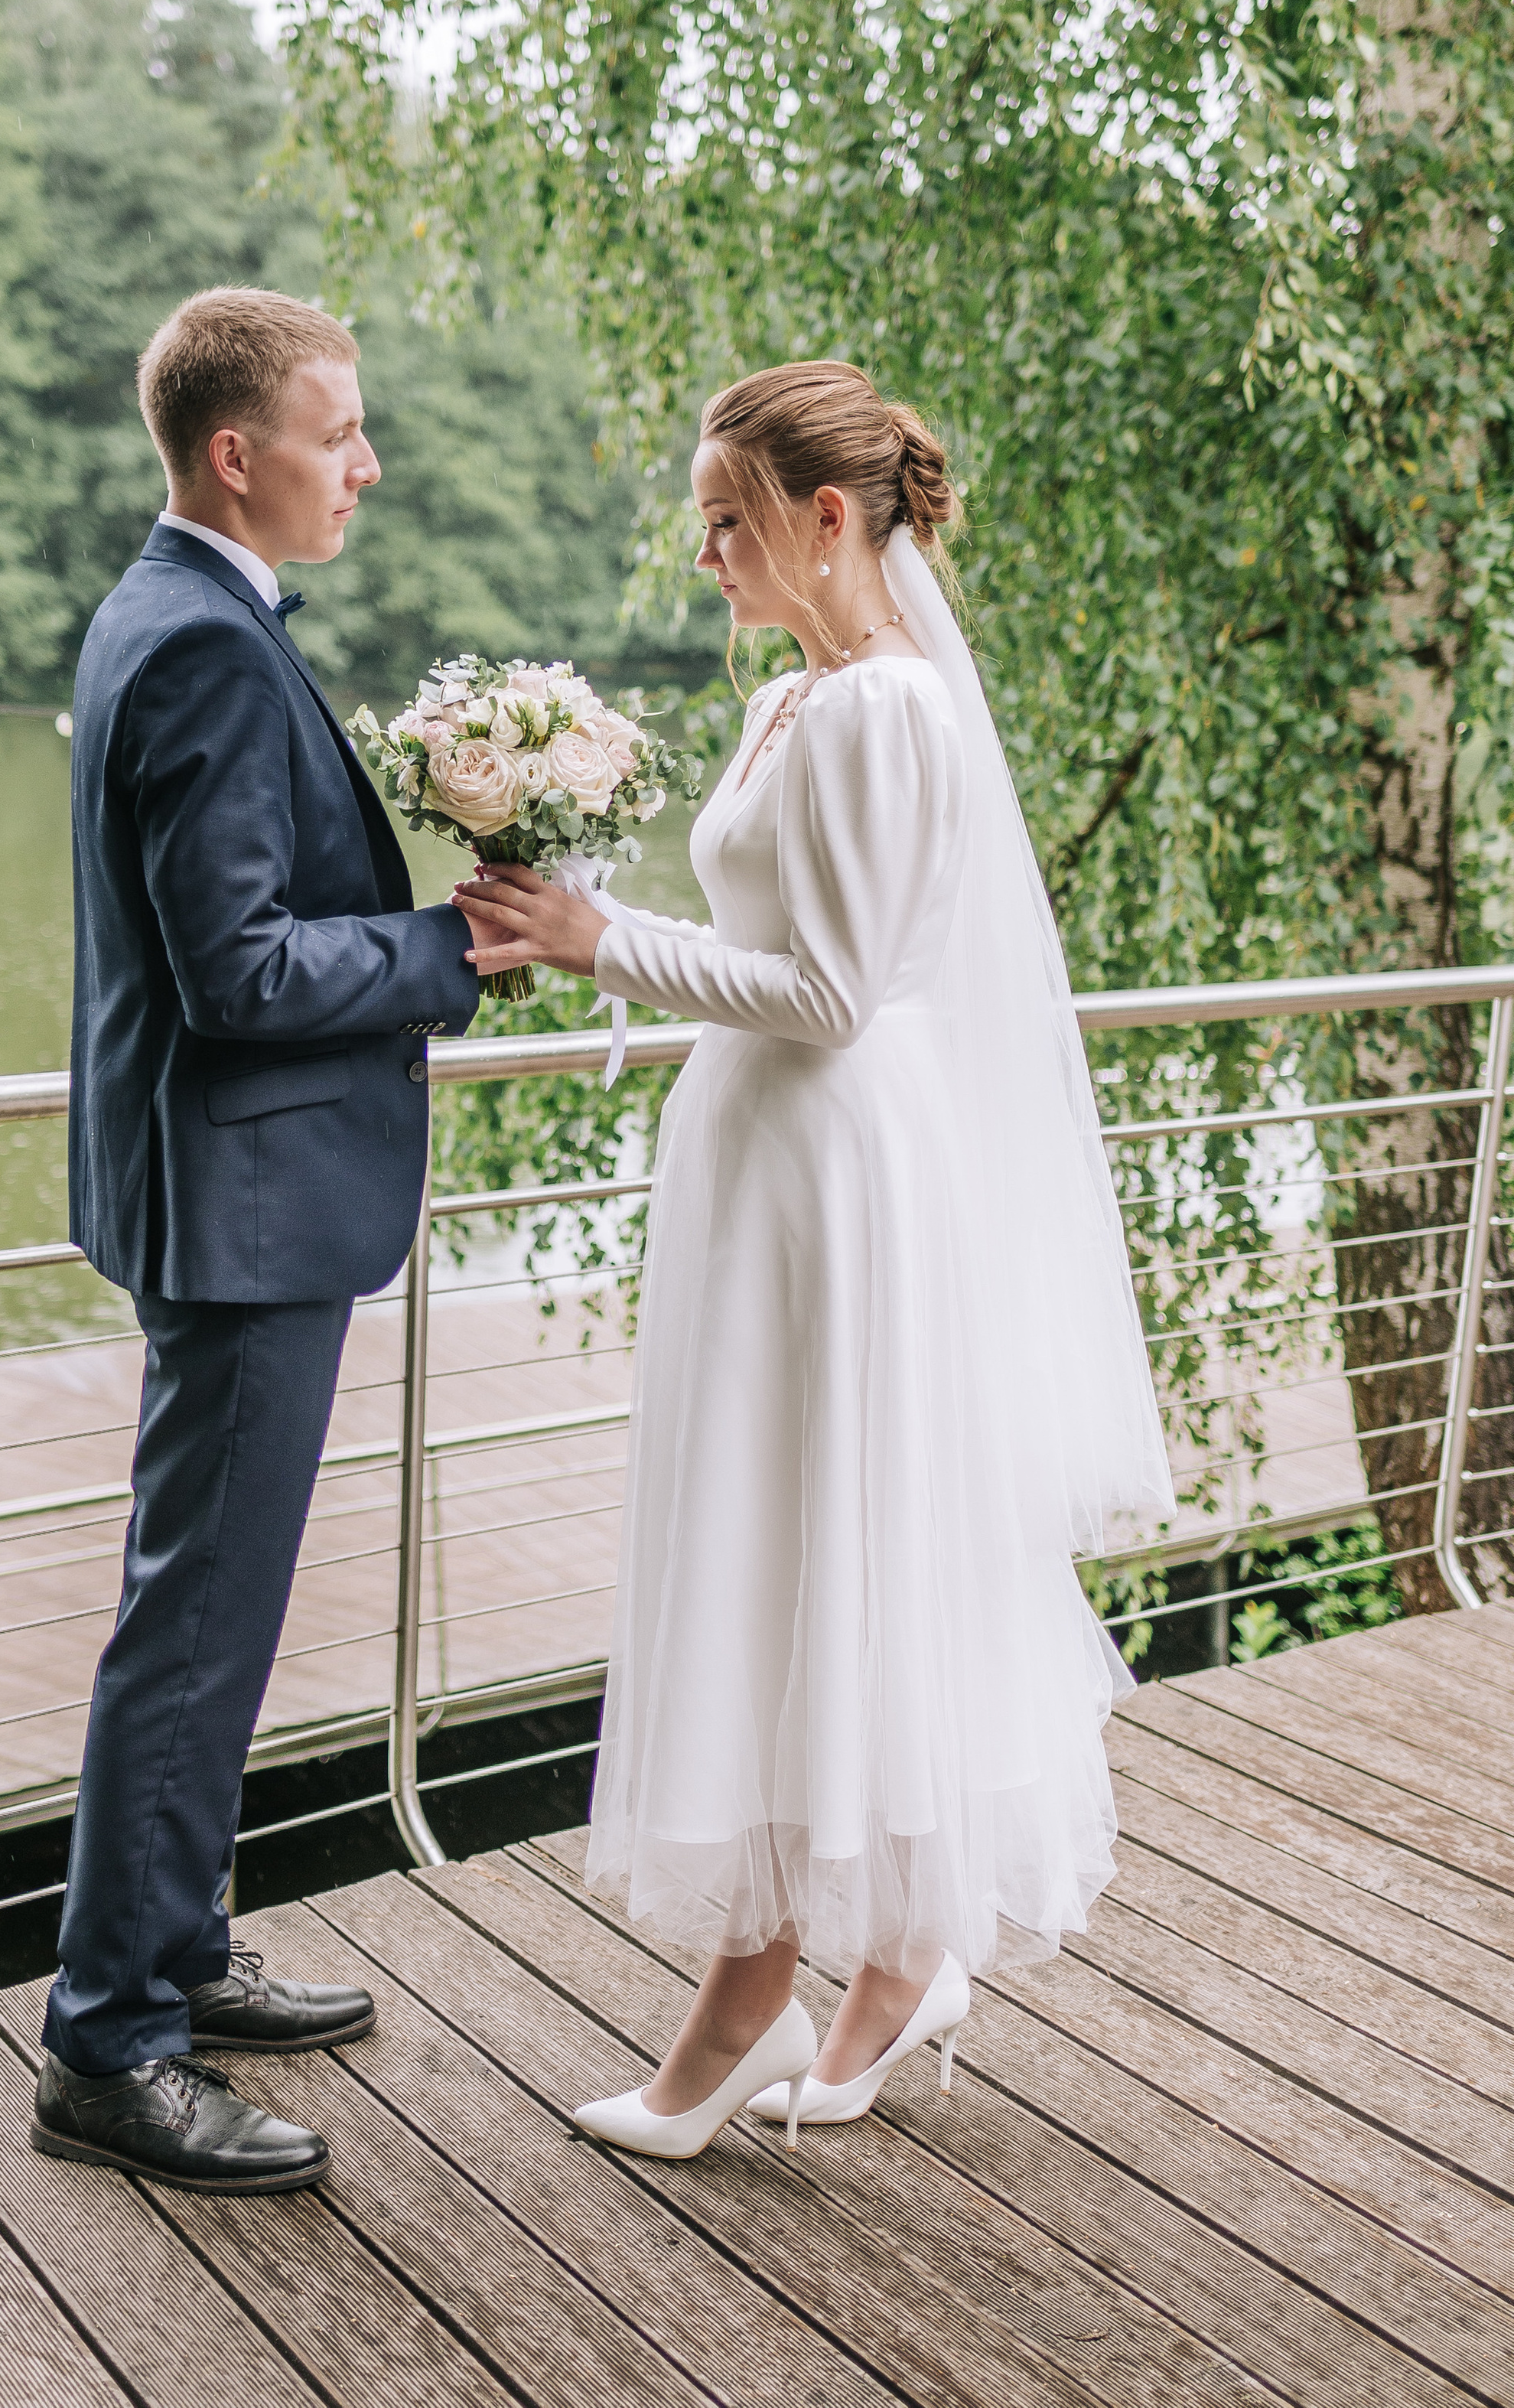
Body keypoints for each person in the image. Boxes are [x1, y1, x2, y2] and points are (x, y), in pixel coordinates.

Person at [454, 360, 1172, 2159]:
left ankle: (757, 1989)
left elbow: (840, 997)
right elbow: (787, 945)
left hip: (834, 1168)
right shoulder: (804, 699)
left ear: (826, 517)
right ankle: (894, 1956)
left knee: (815, 1545)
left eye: (726, 515)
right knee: (812, 1534)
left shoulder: (877, 716)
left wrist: (598, 941)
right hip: (772, 1166)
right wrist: (596, 928)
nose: (702, 547)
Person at [34, 288, 480, 2194]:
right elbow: (231, 970)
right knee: (194, 1633)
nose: (365, 463)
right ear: (239, 450)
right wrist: (450, 947)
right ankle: (112, 2046)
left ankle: (180, 1949)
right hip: (238, 1213)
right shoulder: (206, 645)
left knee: (205, 1614)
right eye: (341, 430)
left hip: (218, 1196)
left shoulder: (173, 612)